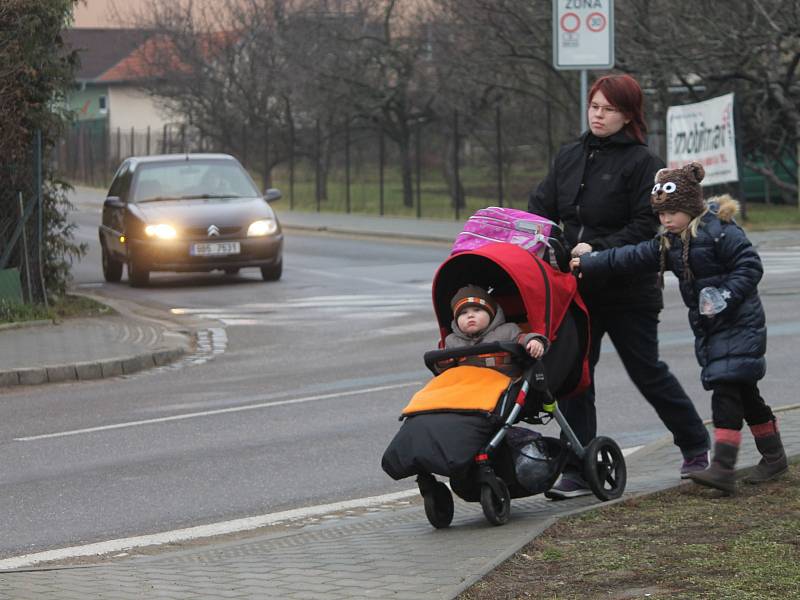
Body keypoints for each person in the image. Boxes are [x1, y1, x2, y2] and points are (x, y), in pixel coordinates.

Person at [528, 73, 710, 499]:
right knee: (575, 377)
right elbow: (541, 206)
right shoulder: (570, 154)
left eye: (609, 109)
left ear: (628, 115)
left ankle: (695, 446)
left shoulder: (643, 163)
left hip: (629, 289)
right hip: (576, 289)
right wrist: (536, 236)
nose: (599, 115)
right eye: (595, 106)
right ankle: (577, 468)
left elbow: (648, 225)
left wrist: (600, 249)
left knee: (647, 371)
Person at [571, 162, 787, 494]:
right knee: (745, 394)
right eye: (660, 214)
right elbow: (632, 256)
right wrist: (592, 262)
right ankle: (773, 456)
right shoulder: (673, 243)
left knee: (726, 392)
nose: (666, 220)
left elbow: (750, 266)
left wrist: (724, 295)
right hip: (712, 326)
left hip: (739, 323)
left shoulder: (721, 232)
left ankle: (723, 468)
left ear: (690, 207)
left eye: (672, 212)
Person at [445, 285, 548, 374]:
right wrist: (442, 363)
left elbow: (522, 338)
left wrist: (533, 341)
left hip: (502, 383)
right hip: (466, 385)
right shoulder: (452, 341)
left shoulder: (507, 331)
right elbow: (446, 371)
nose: (470, 315)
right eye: (463, 313)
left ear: (491, 315)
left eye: (477, 310)